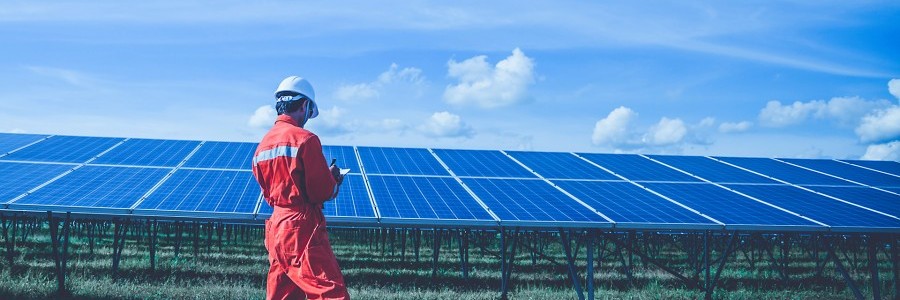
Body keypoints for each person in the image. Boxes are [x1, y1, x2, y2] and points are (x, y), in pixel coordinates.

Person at [252, 76, 350, 300]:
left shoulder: (262, 147)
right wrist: (333, 179)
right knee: (330, 293)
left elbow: (269, 194)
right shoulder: (305, 140)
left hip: (276, 228)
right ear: (305, 106)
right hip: (302, 229)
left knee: (283, 294)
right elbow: (321, 192)